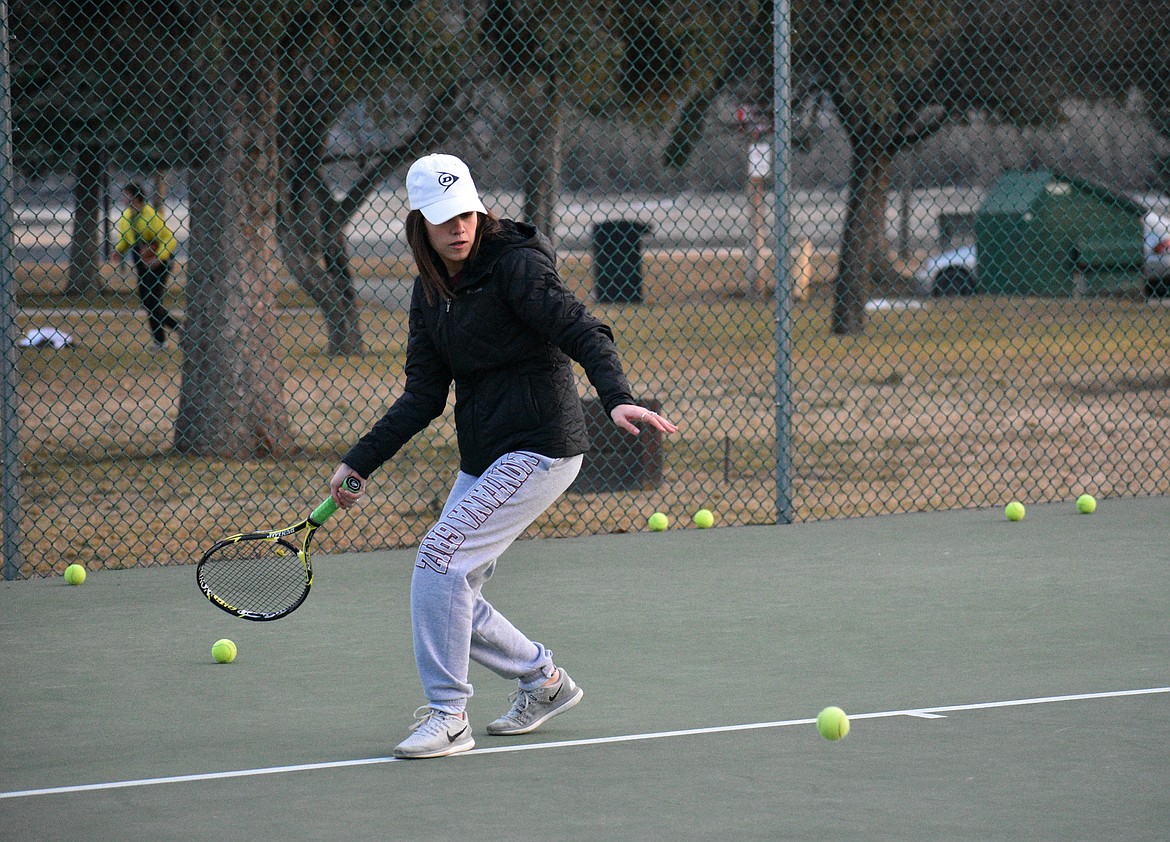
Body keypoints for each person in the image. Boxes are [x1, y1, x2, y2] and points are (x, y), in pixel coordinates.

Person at [329, 153, 677, 759]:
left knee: (439, 556)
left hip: (540, 446)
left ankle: (449, 717)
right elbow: (422, 396)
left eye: (465, 212)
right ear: (420, 225)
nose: (458, 227)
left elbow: (584, 330)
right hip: (486, 454)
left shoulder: (516, 268)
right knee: (447, 583)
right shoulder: (430, 293)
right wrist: (359, 462)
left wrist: (616, 397)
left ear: (479, 209)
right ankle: (543, 681)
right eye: (443, 219)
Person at [112, 182, 181, 351]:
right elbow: (126, 238)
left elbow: (168, 238)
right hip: (141, 257)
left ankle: (176, 330)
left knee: (153, 299)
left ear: (135, 197)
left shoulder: (150, 215)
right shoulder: (127, 216)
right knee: (147, 301)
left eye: (126, 195)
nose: (123, 198)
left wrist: (159, 257)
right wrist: (119, 250)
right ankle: (163, 339)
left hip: (159, 258)